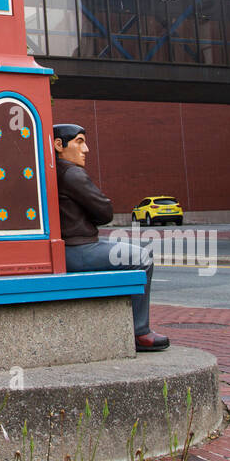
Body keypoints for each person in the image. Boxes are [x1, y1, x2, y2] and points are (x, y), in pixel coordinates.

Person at [54, 123, 170, 353]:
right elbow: (105, 212)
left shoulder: (49, 171)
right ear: (59, 145)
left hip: (65, 247)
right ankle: (140, 332)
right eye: (79, 141)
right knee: (142, 257)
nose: (85, 149)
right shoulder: (71, 173)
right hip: (78, 249)